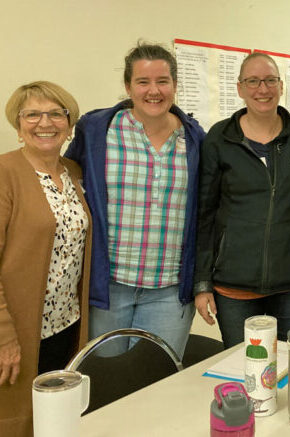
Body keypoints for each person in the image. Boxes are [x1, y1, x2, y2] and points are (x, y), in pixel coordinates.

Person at [65, 43, 205, 358]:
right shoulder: (96, 130)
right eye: (143, 82)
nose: (153, 91)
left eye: (162, 81)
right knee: (106, 382)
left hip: (169, 291)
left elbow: (205, 213)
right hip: (109, 287)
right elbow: (68, 185)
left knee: (159, 381)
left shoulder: (196, 140)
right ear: (128, 86)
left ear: (174, 85)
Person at [193, 52, 290, 347]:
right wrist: (202, 284)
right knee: (242, 368)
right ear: (240, 88)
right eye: (253, 81)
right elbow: (205, 214)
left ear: (281, 85)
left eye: (270, 81)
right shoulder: (219, 138)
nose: (262, 89)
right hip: (233, 286)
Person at [0, 81, 91, 436]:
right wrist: (0, 338)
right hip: (15, 331)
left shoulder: (74, 173)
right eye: (31, 114)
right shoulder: (1, 173)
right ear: (18, 126)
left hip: (66, 326)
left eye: (54, 113)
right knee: (12, 423)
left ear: (69, 123)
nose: (43, 122)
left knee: (55, 423)